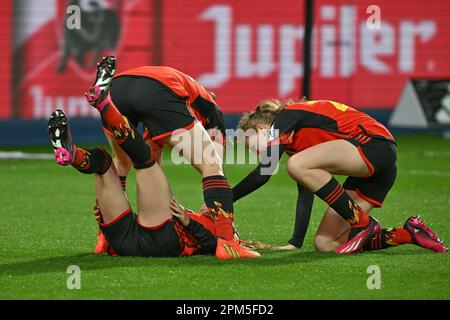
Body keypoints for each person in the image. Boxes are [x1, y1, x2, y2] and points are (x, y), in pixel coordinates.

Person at [232, 99, 447, 254]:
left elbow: (265, 172)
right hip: (377, 170)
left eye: (253, 146)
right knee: (325, 243)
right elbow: (305, 193)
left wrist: (222, 200)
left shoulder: (286, 117)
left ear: (261, 128)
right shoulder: (295, 146)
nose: (256, 153)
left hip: (374, 145)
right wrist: (295, 242)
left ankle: (361, 222)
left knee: (296, 165)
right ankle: (408, 233)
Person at [47, 107, 259, 259]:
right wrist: (105, 212)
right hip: (126, 241)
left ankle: (105, 105)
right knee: (102, 162)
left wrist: (187, 221)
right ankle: (70, 153)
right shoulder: (209, 219)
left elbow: (212, 245)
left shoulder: (225, 232)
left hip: (159, 239)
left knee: (144, 160)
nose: (213, 206)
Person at [81, 57, 237, 253]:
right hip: (158, 89)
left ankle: (104, 238)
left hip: (118, 86)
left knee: (122, 162)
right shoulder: (213, 112)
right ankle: (229, 244)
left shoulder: (186, 93)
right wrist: (221, 218)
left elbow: (150, 157)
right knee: (212, 164)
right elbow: (216, 173)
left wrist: (154, 200)